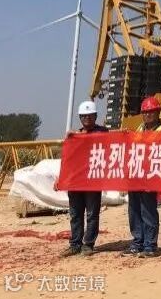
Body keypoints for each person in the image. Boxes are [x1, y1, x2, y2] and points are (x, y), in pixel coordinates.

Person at [61, 100, 109, 257]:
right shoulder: (75, 136)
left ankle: (88, 244)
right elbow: (67, 159)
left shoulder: (103, 132)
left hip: (93, 181)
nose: (86, 118)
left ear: (95, 116)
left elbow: (106, 141)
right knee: (75, 213)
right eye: (83, 116)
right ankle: (75, 244)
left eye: (90, 116)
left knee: (92, 214)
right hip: (76, 181)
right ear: (80, 118)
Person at [122, 96, 161, 258]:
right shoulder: (139, 129)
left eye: (151, 112)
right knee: (134, 211)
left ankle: (150, 245)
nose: (148, 115)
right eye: (145, 112)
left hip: (152, 177)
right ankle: (137, 242)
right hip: (136, 176)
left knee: (148, 211)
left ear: (158, 112)